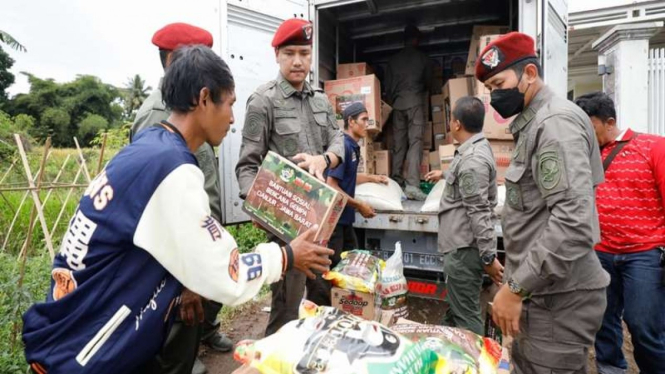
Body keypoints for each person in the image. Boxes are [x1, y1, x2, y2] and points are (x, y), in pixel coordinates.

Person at [22, 45, 333, 374]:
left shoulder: (149, 148)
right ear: (203, 99)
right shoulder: (170, 170)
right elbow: (224, 274)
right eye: (228, 104)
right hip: (83, 354)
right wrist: (286, 256)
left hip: (76, 334)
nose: (231, 119)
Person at [475, 32, 610, 373]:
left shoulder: (554, 124)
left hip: (557, 300)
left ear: (530, 74)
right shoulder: (537, 121)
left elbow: (573, 223)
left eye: (499, 83)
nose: (495, 95)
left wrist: (517, 288)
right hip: (545, 293)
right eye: (490, 88)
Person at [130, 22, 230, 374]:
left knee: (193, 323)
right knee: (175, 341)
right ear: (175, 60)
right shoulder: (160, 115)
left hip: (198, 241)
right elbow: (161, 215)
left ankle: (199, 338)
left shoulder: (188, 108)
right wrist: (188, 281)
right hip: (179, 261)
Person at [235, 18, 345, 336]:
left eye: (304, 53)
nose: (298, 61)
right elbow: (247, 166)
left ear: (311, 56)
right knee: (287, 310)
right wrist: (256, 205)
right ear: (277, 56)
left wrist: (324, 159)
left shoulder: (321, 100)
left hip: (324, 223)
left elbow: (339, 140)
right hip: (287, 231)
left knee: (323, 303)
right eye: (290, 53)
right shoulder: (263, 100)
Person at [574, 92, 665, 374]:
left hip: (645, 254)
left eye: (589, 127)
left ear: (609, 122)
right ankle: (611, 370)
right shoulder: (583, 156)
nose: (583, 135)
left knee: (643, 325)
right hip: (600, 254)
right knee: (602, 321)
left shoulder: (653, 147)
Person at [424, 96, 503, 335]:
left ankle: (476, 364)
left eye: (451, 119)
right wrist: (445, 174)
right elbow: (467, 185)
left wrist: (489, 258)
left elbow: (478, 211)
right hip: (463, 248)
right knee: (457, 309)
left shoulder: (473, 160)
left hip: (463, 251)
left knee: (467, 319)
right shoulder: (476, 148)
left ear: (457, 124)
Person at [306, 102, 388, 307]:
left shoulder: (353, 147)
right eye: (363, 120)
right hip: (332, 222)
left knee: (353, 263)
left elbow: (348, 177)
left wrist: (371, 178)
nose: (367, 124)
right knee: (327, 270)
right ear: (351, 122)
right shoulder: (342, 146)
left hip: (343, 220)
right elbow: (332, 186)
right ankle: (319, 311)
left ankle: (348, 305)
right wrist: (358, 205)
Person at [384, 24, 432, 201]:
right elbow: (428, 83)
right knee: (415, 143)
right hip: (415, 104)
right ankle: (412, 185)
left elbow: (387, 88)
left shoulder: (393, 61)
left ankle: (396, 181)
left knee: (399, 144)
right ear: (416, 40)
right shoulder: (423, 59)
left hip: (397, 105)